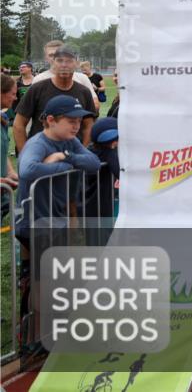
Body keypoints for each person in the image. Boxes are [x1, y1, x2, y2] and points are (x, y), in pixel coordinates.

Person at [14, 94, 101, 360]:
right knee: (44, 281)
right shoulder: (38, 143)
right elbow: (27, 169)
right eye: (70, 120)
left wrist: (64, 157)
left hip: (56, 221)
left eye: (79, 121)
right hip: (36, 223)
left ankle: (46, 331)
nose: (77, 126)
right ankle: (34, 337)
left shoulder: (69, 142)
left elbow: (93, 163)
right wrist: (68, 163)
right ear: (50, 120)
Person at [14, 47, 98, 152]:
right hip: (42, 154)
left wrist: (83, 152)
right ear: (53, 63)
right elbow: (19, 124)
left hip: (73, 155)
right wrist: (24, 154)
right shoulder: (37, 88)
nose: (64, 65)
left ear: (76, 64)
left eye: (69, 61)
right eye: (60, 60)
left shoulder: (84, 92)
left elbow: (88, 126)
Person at [32, 40, 99, 111]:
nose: (55, 57)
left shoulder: (82, 78)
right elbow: (30, 109)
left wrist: (74, 112)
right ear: (46, 58)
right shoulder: (39, 79)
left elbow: (95, 105)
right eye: (51, 55)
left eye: (58, 54)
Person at [1, 75, 19, 217]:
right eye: (12, 94)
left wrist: (10, 172)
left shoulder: (4, 119)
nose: (15, 98)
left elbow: (2, 152)